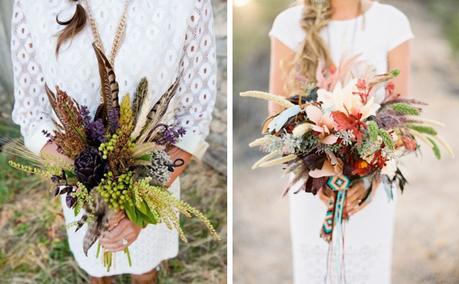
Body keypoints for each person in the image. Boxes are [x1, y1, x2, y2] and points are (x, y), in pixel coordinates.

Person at [10, 0, 217, 283]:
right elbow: (32, 113)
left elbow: (194, 116)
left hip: (156, 178)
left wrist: (138, 204)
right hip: (79, 186)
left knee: (145, 267)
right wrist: (89, 184)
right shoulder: (33, 5)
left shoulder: (187, 5)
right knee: (96, 266)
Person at [268, 0, 413, 283]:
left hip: (371, 184)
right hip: (310, 184)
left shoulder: (392, 23)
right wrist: (320, 178)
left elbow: (401, 120)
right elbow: (276, 116)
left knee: (367, 271)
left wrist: (367, 180)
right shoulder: (288, 24)